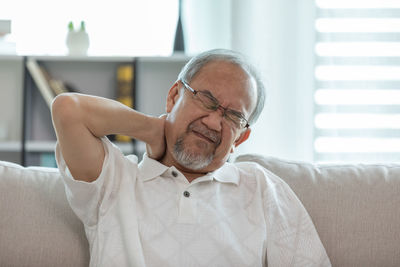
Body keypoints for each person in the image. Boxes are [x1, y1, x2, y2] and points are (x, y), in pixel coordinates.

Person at [52, 49, 331, 267]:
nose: (213, 122)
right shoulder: (114, 180)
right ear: (174, 96)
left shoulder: (261, 187)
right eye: (206, 100)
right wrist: (153, 130)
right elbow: (68, 109)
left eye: (233, 116)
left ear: (240, 138)